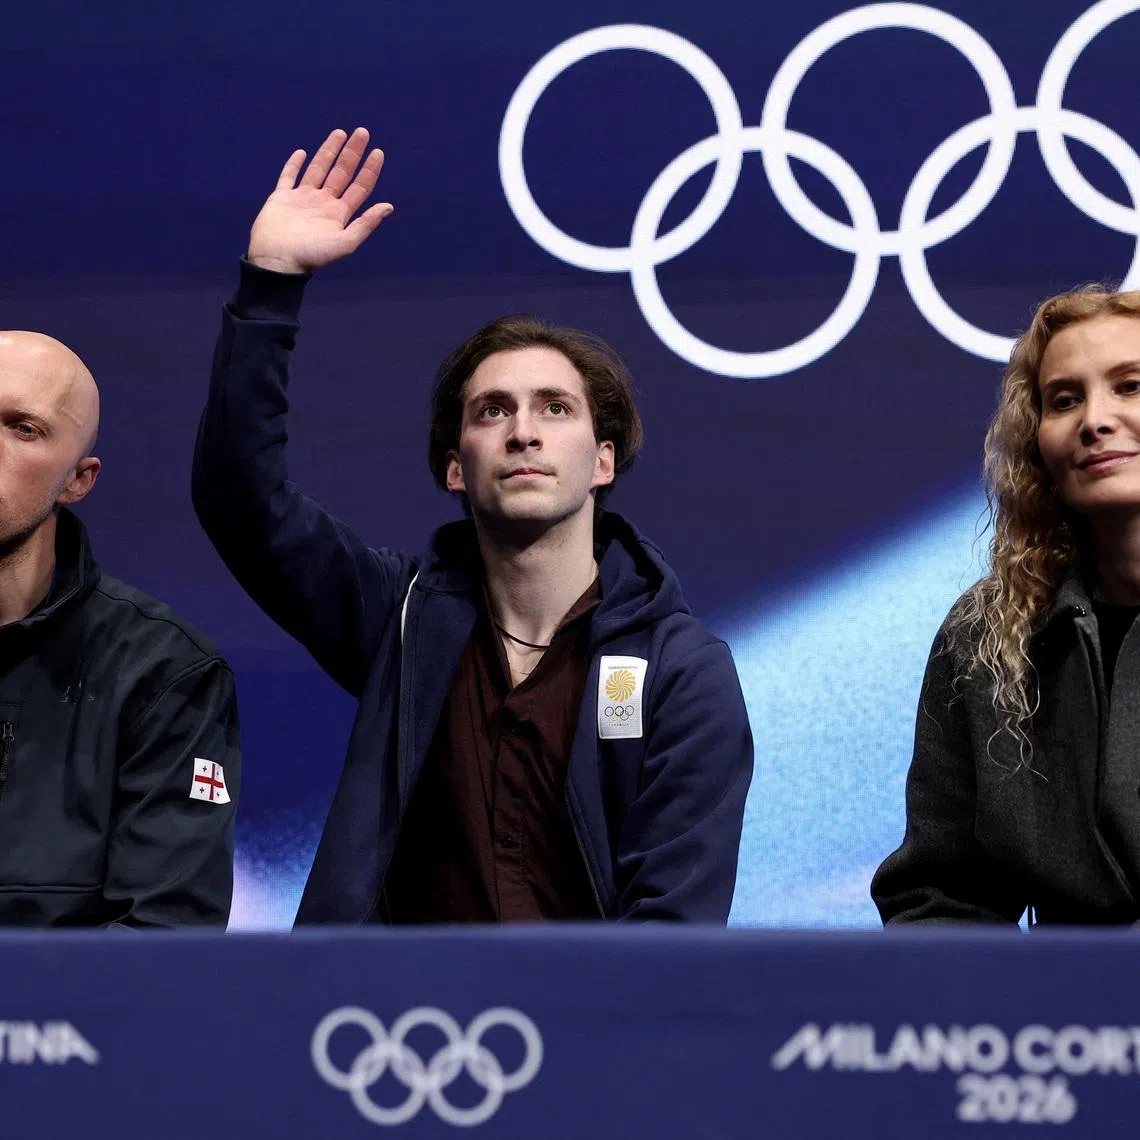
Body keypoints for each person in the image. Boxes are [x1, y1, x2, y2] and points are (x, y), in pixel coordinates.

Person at [192, 127, 753, 924]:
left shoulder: (683, 672)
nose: (523, 431)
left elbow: (675, 929)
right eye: (493, 411)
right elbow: (241, 500)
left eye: (554, 409)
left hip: (592, 1037)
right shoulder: (401, 616)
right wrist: (270, 286)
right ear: (456, 467)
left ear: (603, 462)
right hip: (389, 1036)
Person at [873, 285, 1140, 926]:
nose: (1094, 420)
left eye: (1130, 386)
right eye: (1064, 400)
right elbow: (940, 896)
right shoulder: (990, 632)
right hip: (1063, 1019)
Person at [0, 331, 239, 926]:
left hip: (56, 1019)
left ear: (79, 479)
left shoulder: (163, 674)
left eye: (22, 428)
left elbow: (163, 941)